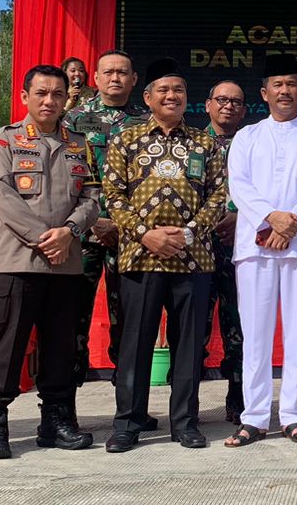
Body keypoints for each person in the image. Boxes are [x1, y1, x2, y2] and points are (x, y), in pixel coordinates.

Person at [100, 60, 226, 452]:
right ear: (148, 97)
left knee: (189, 344)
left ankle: (185, 421)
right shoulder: (127, 139)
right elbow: (113, 196)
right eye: (164, 90)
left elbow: (219, 195)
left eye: (179, 91)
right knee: (134, 341)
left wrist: (189, 232)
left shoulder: (205, 143)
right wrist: (145, 234)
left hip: (194, 258)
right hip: (141, 256)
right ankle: (128, 422)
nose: (172, 96)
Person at [0, 64, 101, 459]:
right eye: (42, 93)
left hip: (66, 263)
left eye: (57, 94)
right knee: (7, 345)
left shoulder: (79, 144)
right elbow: (2, 197)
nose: (49, 101)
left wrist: (68, 231)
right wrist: (42, 238)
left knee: (62, 346)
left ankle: (56, 420)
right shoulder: (5, 140)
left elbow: (92, 198)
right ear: (25, 97)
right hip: (17, 262)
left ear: (68, 99)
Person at [225, 55, 297, 446]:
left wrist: (291, 224)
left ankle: (293, 415)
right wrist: (272, 218)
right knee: (254, 334)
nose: (284, 90)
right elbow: (239, 186)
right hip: (255, 248)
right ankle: (253, 417)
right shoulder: (247, 136)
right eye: (277, 84)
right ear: (265, 93)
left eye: (291, 84)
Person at [64, 49, 148, 391]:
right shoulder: (72, 120)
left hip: (131, 237)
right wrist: (94, 220)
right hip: (83, 234)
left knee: (130, 321)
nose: (115, 78)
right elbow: (65, 177)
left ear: (134, 80)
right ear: (95, 79)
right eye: (108, 72)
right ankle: (62, 411)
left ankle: (128, 408)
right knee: (71, 320)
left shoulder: (147, 122)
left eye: (123, 72)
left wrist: (127, 223)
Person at [204, 80, 247, 423]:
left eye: (235, 102)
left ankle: (239, 398)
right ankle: (186, 404)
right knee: (191, 330)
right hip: (198, 250)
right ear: (208, 105)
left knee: (239, 329)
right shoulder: (191, 142)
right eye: (221, 100)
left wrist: (240, 217)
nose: (228, 106)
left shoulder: (252, 144)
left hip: (239, 248)